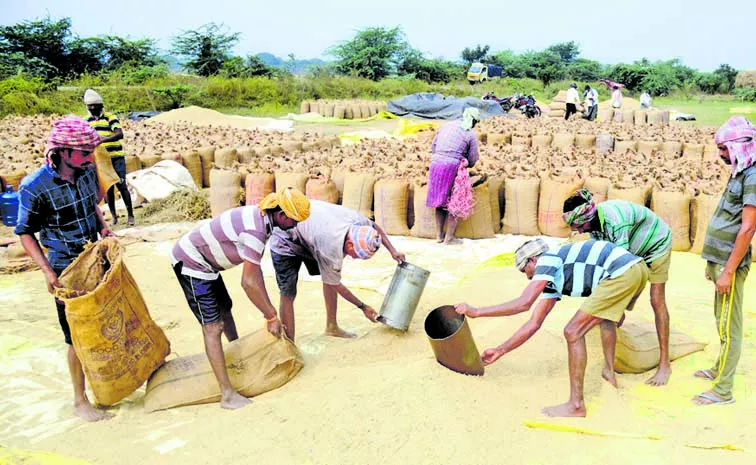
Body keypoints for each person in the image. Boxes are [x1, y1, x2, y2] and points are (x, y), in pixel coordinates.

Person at [455, 239, 648, 418]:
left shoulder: (547, 260)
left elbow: (524, 303)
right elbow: (534, 322)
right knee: (605, 318)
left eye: (525, 270)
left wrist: (477, 311)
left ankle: (576, 405)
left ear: (532, 260)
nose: (528, 277)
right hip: (636, 269)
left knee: (573, 331)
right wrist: (500, 350)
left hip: (621, 272)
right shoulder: (554, 273)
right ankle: (609, 372)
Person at [169, 188, 310, 410]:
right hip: (191, 263)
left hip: (207, 264)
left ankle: (236, 354)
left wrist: (270, 311)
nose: (295, 226)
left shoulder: (263, 220)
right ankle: (227, 394)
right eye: (294, 221)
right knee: (213, 327)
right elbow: (248, 283)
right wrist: (271, 316)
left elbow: (255, 274)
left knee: (225, 308)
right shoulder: (256, 231)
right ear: (282, 215)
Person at [15, 116, 115, 422]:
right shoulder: (35, 187)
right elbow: (24, 231)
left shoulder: (85, 173)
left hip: (95, 257)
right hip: (66, 267)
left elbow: (91, 204)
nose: (89, 159)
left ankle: (108, 385)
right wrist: (47, 271)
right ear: (62, 152)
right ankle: (80, 400)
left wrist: (104, 227)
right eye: (84, 153)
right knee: (76, 336)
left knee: (104, 323)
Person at [562, 190, 673, 385]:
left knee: (657, 300)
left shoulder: (616, 222)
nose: (578, 231)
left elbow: (623, 268)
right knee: (608, 308)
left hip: (656, 244)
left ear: (588, 218)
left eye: (579, 226)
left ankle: (664, 364)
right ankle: (609, 370)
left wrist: (616, 306)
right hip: (631, 249)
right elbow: (602, 262)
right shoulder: (594, 226)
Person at [270, 200, 406, 340]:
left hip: (310, 231)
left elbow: (375, 228)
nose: (353, 258)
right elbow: (335, 284)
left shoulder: (359, 223)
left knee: (329, 275)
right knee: (288, 293)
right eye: (355, 255)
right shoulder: (329, 246)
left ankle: (331, 326)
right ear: (349, 244)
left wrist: (393, 251)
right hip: (285, 237)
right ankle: (289, 343)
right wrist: (363, 307)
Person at [693, 116, 756, 406]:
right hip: (720, 261)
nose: (720, 155)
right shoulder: (740, 170)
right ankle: (719, 368)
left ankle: (723, 390)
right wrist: (712, 263)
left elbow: (747, 228)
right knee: (722, 319)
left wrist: (728, 270)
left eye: (723, 149)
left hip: (730, 264)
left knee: (729, 325)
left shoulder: (753, 176)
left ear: (739, 147)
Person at [426, 107, 480, 245]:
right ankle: (449, 238)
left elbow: (433, 147)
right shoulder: (470, 134)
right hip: (452, 167)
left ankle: (439, 236)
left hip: (436, 164)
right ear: (473, 121)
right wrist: (465, 162)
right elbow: (473, 158)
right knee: (455, 201)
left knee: (439, 200)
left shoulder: (447, 125)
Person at [84, 89, 135, 227]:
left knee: (121, 185)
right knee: (108, 188)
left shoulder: (110, 117)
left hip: (116, 157)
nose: (93, 108)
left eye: (95, 105)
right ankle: (114, 217)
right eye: (90, 106)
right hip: (101, 160)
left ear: (101, 105)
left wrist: (102, 140)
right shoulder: (87, 121)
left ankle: (130, 216)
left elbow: (119, 134)